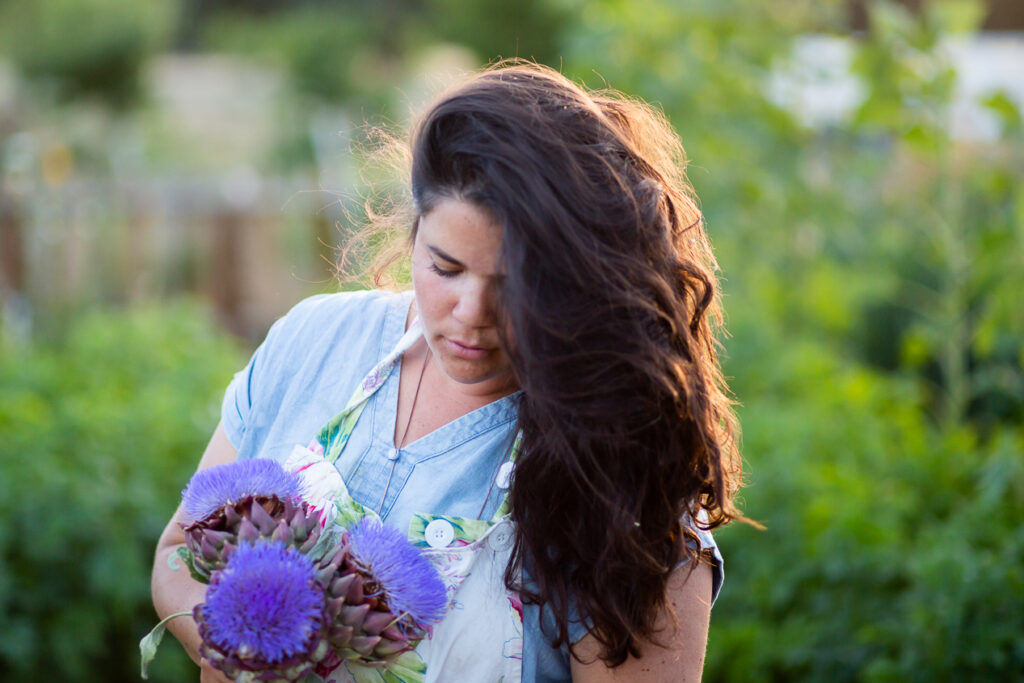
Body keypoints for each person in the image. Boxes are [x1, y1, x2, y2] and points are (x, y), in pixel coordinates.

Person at [151, 60, 744, 683]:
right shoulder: (313, 341)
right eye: (446, 268)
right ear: (415, 232)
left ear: (586, 281)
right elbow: (175, 557)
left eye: (518, 285)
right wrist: (246, 647)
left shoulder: (626, 470)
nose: (472, 315)